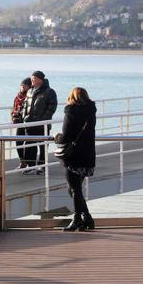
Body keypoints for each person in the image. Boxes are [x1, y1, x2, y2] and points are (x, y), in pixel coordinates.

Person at [54, 87, 97, 232]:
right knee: (75, 189)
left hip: (74, 156)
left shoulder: (71, 110)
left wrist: (56, 137)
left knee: (74, 189)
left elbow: (65, 136)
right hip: (88, 154)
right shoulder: (91, 110)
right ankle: (84, 219)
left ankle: (81, 219)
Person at [20, 70, 58, 174]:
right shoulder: (30, 91)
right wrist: (24, 116)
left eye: (34, 78)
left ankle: (42, 166)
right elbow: (25, 105)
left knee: (43, 146)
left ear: (40, 80)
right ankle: (30, 166)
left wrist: (43, 119)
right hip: (29, 123)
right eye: (32, 78)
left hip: (42, 125)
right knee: (29, 145)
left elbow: (52, 106)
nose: (32, 80)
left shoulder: (49, 92)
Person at [11, 77, 32, 169]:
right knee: (18, 141)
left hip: (26, 122)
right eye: (22, 85)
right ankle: (22, 161)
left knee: (28, 143)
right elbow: (14, 108)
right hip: (19, 122)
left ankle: (28, 162)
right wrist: (13, 116)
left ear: (29, 87)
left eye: (25, 86)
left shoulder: (30, 96)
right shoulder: (17, 96)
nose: (22, 87)